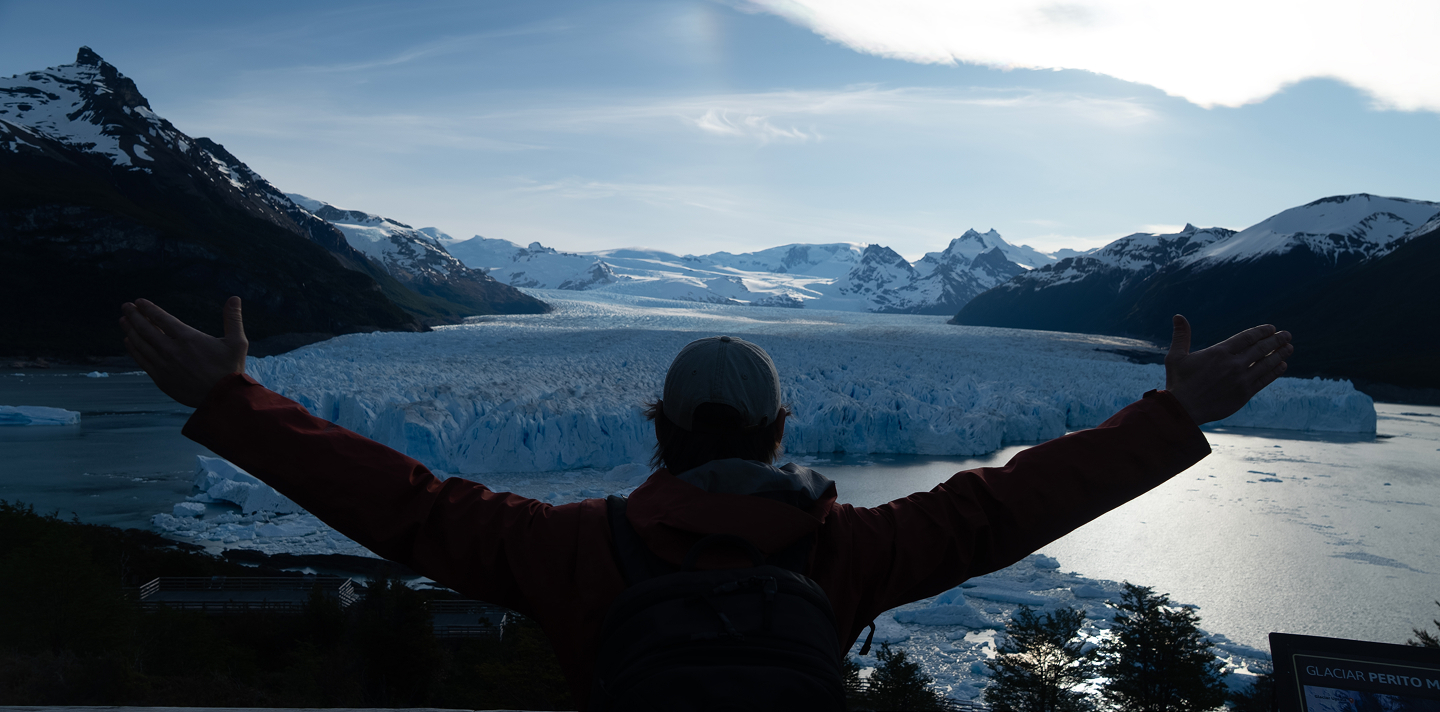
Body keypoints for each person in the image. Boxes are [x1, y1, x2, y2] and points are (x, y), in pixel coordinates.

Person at [119, 296, 1293, 709]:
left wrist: (236, 405)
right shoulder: (853, 553)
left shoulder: (573, 549)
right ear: (786, 433)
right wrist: (1170, 415)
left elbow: (410, 506)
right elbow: (1008, 505)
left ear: (659, 431)